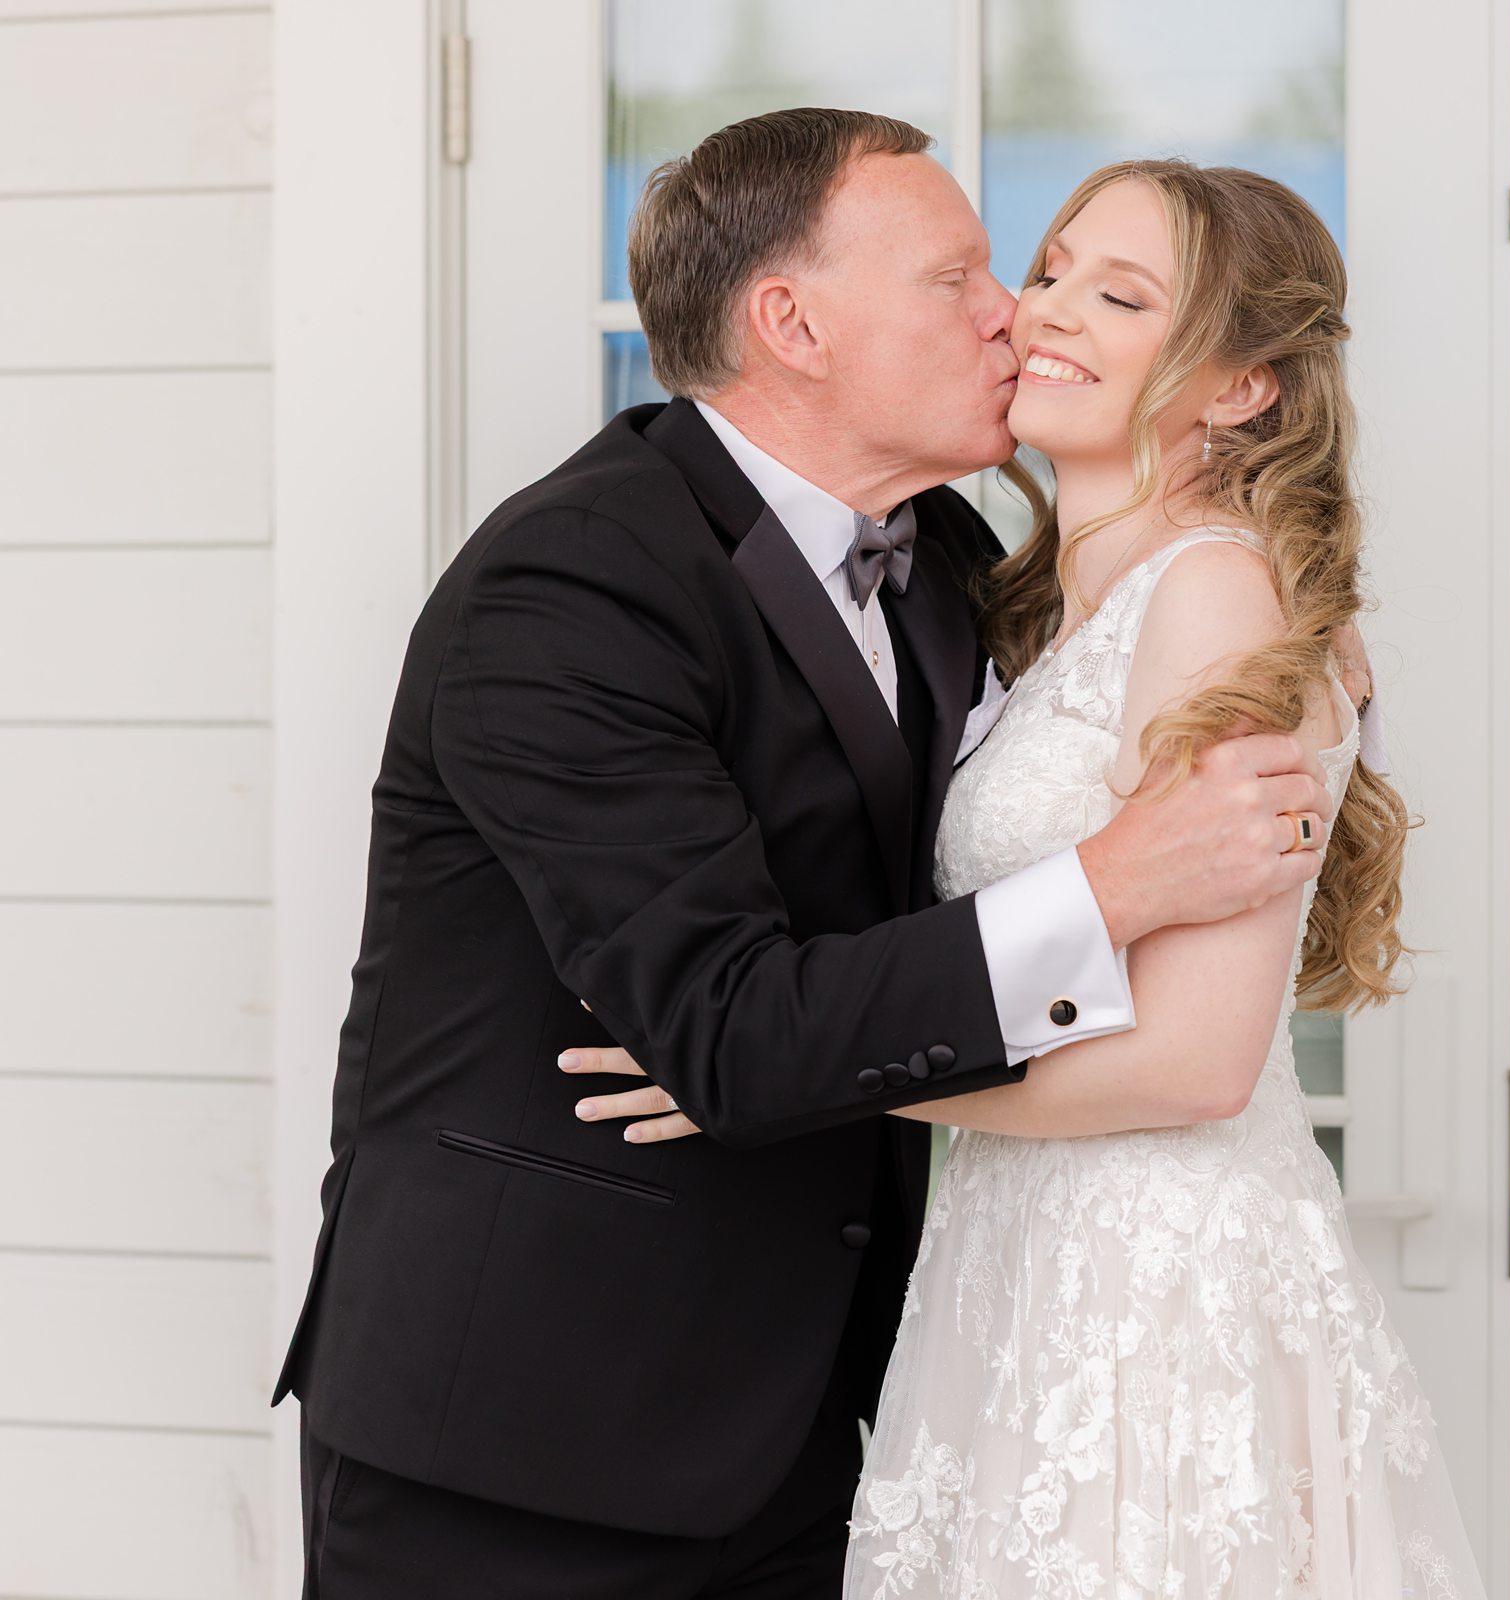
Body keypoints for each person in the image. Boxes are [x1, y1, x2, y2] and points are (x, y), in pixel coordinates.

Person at [271, 109, 1343, 1598]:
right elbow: (729, 1030)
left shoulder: (957, 569)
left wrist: (1297, 605)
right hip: (533, 1435)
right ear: (792, 322)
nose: (1011, 316)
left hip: (831, 1422)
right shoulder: (573, 583)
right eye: (965, 276)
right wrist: (1118, 883)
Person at [591, 158, 1487, 1599]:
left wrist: (772, 1069)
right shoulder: (1003, 591)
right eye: (1052, 269)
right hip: (1014, 1256)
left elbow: (1198, 1063)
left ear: (1242, 387)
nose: (1039, 314)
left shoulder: (1214, 593)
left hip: (1152, 1287)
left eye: (1118, 295)